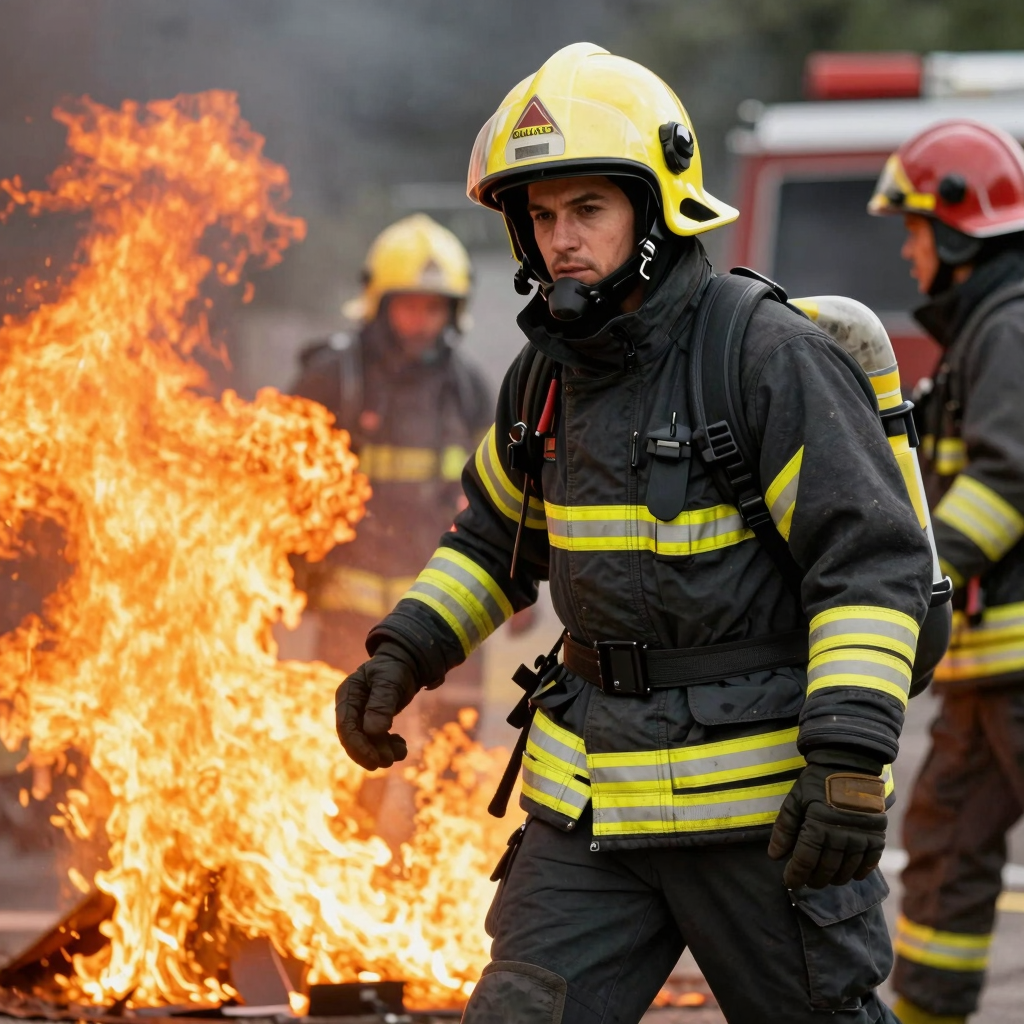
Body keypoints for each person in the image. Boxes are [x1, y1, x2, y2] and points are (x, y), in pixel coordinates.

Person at [335, 43, 932, 1022]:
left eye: (588, 210)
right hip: (592, 816)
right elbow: (493, 540)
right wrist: (401, 654)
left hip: (761, 826)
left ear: (655, 211)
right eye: (541, 215)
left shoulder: (764, 356)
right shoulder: (544, 380)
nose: (561, 239)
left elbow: (868, 564)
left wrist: (845, 757)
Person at [868, 120, 1024, 1024]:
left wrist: (924, 573)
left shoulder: (1009, 328)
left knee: (948, 845)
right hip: (986, 673)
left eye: (915, 228)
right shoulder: (983, 332)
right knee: (944, 850)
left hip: (1016, 666)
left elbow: (1008, 474)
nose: (906, 246)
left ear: (960, 231)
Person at [291, 215, 492, 842]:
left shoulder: (468, 390)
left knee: (452, 762)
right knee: (357, 759)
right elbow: (283, 477)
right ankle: (347, 881)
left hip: (446, 614)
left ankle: (431, 888)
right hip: (351, 617)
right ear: (379, 304)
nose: (421, 320)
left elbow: (497, 492)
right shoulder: (334, 378)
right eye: (409, 305)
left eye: (435, 307)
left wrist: (510, 586)